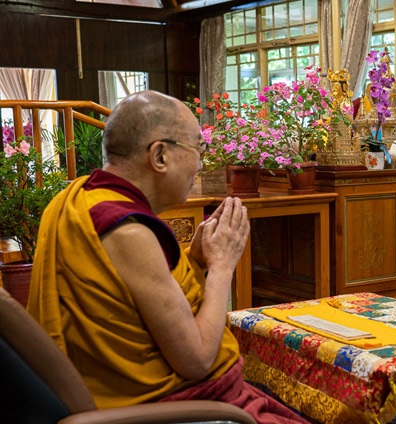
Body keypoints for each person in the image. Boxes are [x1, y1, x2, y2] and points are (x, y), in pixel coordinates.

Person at [27, 90, 308, 423]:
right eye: (197, 149)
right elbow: (197, 359)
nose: (201, 164)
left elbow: (134, 300)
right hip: (177, 409)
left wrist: (198, 260)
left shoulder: (75, 200)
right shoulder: (128, 231)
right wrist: (222, 266)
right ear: (159, 156)